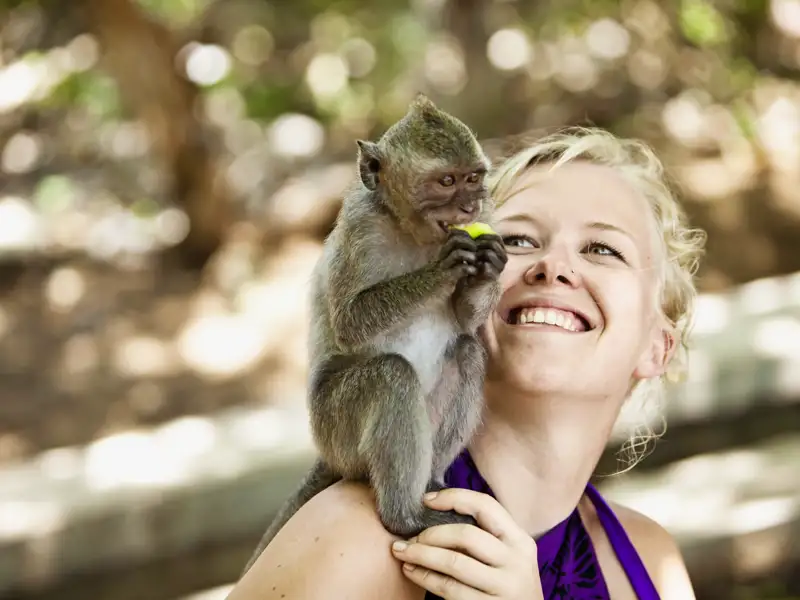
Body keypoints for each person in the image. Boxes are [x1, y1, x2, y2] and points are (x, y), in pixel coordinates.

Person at [227, 126, 706, 600]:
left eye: (602, 249)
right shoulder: (353, 541)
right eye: (518, 240)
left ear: (657, 347)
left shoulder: (645, 561)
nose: (554, 266)